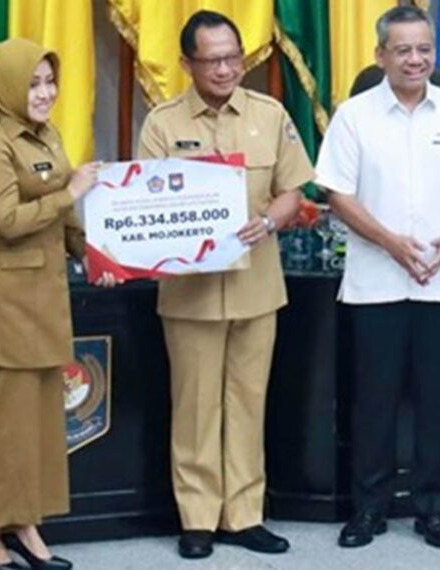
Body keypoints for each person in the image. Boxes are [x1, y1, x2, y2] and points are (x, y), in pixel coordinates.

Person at [315, 5, 440, 550]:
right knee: (373, 401)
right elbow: (337, 195)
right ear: (380, 56)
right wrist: (391, 243)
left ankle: (433, 510)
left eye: (424, 48)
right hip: (376, 281)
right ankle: (369, 510)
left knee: (435, 399)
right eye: (402, 50)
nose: (415, 59)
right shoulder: (354, 115)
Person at [135, 10, 315, 560]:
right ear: (188, 64)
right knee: (194, 408)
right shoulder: (163, 123)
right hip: (189, 292)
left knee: (247, 403)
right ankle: (197, 518)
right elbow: (146, 201)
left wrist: (272, 219)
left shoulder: (269, 113)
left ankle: (243, 514)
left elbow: (292, 188)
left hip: (257, 285)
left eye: (233, 57)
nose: (225, 69)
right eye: (212, 60)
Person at [0, 38, 116, 570]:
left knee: (38, 424)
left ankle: (24, 523)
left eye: (49, 81)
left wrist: (93, 254)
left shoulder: (44, 133)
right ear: (3, 87)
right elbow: (8, 220)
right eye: (33, 83)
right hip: (1, 299)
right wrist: (72, 192)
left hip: (45, 296)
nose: (45, 93)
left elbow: (61, 219)